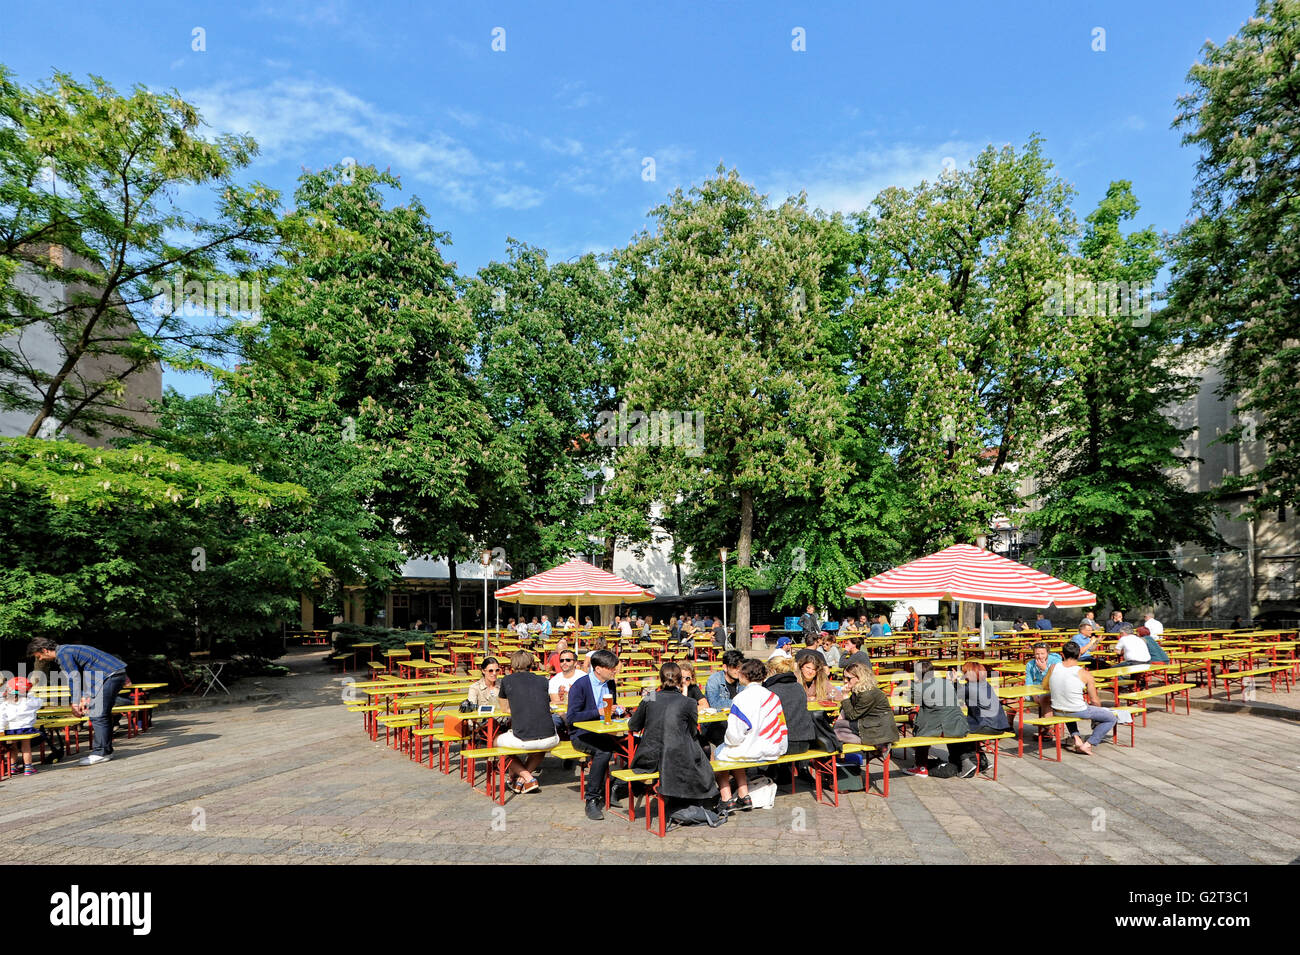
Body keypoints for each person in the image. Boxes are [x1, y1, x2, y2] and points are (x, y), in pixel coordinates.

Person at [629, 662, 718, 809]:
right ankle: (694, 799)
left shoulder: (650, 697)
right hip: (676, 757)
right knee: (700, 754)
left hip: (649, 758)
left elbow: (633, 725)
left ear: (660, 678)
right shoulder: (688, 702)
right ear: (680, 680)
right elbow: (692, 731)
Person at [27, 638, 129, 766]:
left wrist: (75, 703)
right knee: (101, 714)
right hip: (111, 673)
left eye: (39, 656)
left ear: (45, 650)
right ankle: (105, 751)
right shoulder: (67, 649)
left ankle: (100, 753)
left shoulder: (63, 654)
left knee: (97, 714)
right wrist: (84, 697)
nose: (40, 659)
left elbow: (74, 678)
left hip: (108, 675)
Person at [713, 659, 788, 811]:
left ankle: (726, 797)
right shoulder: (773, 697)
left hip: (751, 750)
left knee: (719, 753)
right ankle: (743, 795)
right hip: (772, 749)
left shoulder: (740, 698)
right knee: (735, 752)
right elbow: (782, 726)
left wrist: (727, 742)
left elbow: (734, 736)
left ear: (743, 676)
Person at [566, 648, 625, 821]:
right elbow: (572, 717)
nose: (615, 670)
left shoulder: (611, 683)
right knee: (604, 752)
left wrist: (618, 709)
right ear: (598, 669)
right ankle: (592, 798)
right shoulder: (580, 685)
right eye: (611, 668)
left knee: (636, 745)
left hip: (606, 730)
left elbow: (611, 709)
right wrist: (598, 711)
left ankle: (616, 787)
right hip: (581, 734)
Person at [497, 651, 560, 793]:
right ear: (531, 663)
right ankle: (521, 781)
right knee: (540, 749)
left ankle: (527, 777)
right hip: (551, 738)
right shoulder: (543, 680)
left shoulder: (507, 680)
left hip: (524, 738)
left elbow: (505, 709)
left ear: (512, 664)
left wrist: (520, 708)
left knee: (496, 744)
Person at [1043, 641, 1117, 755]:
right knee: (1111, 718)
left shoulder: (1053, 667)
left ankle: (1077, 739)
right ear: (1079, 655)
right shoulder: (1085, 674)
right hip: (1077, 710)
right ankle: (1088, 744)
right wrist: (1098, 713)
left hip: (1057, 709)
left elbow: (1045, 686)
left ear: (1062, 654)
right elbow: (1094, 700)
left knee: (1068, 708)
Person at [906, 660, 976, 778]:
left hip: (942, 728)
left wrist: (914, 683)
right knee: (927, 719)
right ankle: (962, 760)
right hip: (958, 725)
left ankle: (920, 766)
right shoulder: (946, 683)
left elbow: (910, 699)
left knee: (918, 724)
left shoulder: (920, 687)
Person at [833, 663, 899, 774]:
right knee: (836, 730)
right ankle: (876, 743)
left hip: (879, 729)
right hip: (870, 724)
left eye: (848, 678)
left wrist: (844, 696)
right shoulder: (859, 689)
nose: (845, 681)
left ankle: (877, 743)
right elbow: (849, 709)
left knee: (836, 731)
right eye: (844, 677)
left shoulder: (867, 694)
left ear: (859, 678)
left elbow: (852, 715)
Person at [958, 661, 1010, 775]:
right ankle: (982, 761)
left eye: (965, 672)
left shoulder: (970, 687)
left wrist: (952, 680)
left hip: (987, 724)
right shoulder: (985, 684)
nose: (963, 674)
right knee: (964, 724)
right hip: (1000, 725)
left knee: (955, 729)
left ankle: (966, 762)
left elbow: (953, 693)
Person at [762, 657, 814, 755]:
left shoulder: (770, 690)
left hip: (782, 743)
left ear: (772, 670)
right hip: (804, 741)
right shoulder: (799, 687)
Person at [1, 677, 43, 776]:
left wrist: (1, 729)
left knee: (13, 747)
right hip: (26, 729)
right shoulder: (29, 701)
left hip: (12, 730)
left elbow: (2, 717)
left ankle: (12, 767)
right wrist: (30, 693)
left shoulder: (6, 703)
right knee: (26, 748)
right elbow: (40, 703)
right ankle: (28, 768)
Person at [548, 649, 584, 732]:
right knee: (550, 722)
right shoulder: (554, 680)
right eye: (561, 660)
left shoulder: (583, 677)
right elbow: (556, 706)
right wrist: (565, 719)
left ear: (575, 663)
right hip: (561, 714)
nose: (564, 662)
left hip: (580, 712)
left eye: (568, 660)